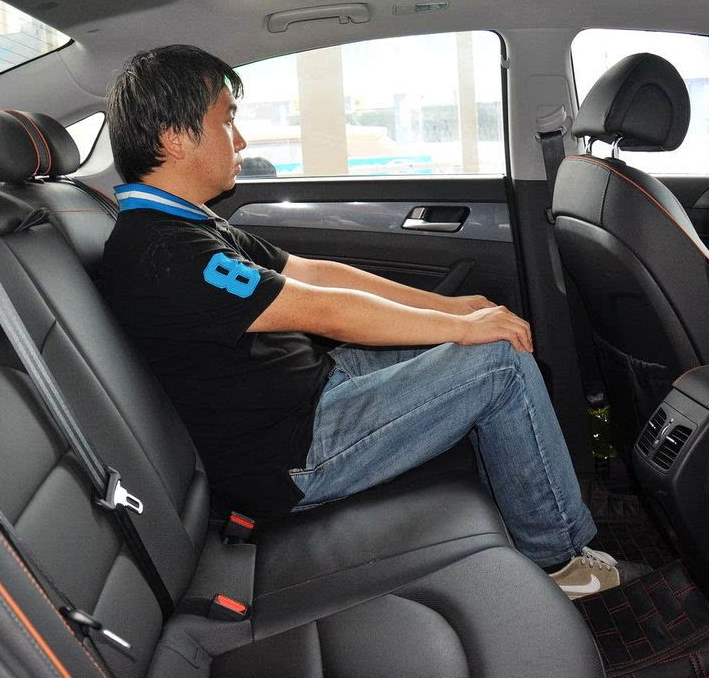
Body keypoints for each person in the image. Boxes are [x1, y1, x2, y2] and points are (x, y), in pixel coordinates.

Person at [100, 44, 641, 597]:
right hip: (292, 453)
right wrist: (462, 329)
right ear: (175, 137)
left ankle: (529, 507)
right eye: (226, 120)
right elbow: (324, 310)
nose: (240, 140)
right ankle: (560, 561)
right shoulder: (164, 251)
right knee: (498, 363)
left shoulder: (189, 226)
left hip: (311, 393)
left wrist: (451, 307)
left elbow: (319, 274)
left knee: (481, 339)